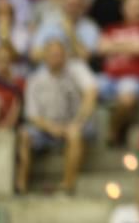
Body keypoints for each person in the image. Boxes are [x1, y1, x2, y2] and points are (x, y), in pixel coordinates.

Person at [16, 39, 98, 194]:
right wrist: (51, 128)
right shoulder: (34, 79)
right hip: (45, 127)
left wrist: (77, 122)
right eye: (53, 55)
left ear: (65, 56)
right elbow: (32, 115)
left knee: (74, 133)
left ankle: (67, 185)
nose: (57, 58)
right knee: (24, 134)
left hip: (74, 124)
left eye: (60, 54)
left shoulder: (76, 71)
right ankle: (21, 186)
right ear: (45, 57)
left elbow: (91, 93)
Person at [97, 0, 139, 146]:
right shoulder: (110, 29)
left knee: (127, 96)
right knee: (87, 88)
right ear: (123, 9)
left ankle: (113, 132)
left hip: (135, 80)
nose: (137, 10)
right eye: (133, 6)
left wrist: (115, 46)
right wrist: (131, 46)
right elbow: (101, 48)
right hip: (108, 79)